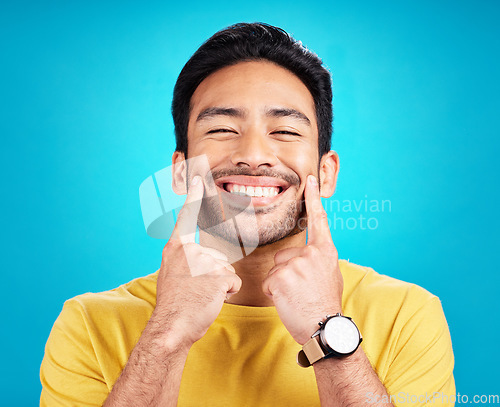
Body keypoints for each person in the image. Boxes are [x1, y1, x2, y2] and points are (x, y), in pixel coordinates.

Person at [40, 23, 455, 406]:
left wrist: (329, 331)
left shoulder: (408, 315)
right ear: (181, 173)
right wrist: (167, 335)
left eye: (286, 131)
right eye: (222, 129)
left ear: (326, 174)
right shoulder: (91, 323)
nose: (254, 156)